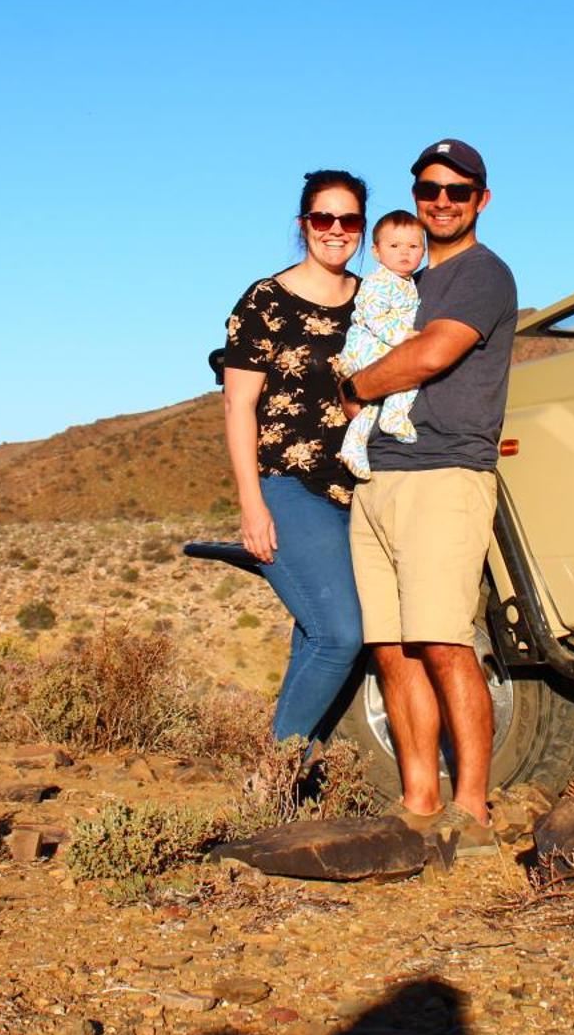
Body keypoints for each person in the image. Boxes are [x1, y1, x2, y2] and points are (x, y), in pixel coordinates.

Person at [339, 139, 515, 852]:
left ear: (482, 199)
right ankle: (418, 800)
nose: (442, 200)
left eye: (458, 190)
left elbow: (432, 352)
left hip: (444, 475)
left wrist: (350, 386)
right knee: (391, 649)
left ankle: (470, 807)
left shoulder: (482, 274)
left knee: (444, 643)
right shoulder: (399, 276)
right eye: (429, 189)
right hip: (378, 474)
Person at [220, 170, 370, 743]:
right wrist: (252, 505)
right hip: (288, 486)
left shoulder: (375, 301)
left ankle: (297, 780)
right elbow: (239, 405)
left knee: (314, 635)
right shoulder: (266, 300)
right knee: (340, 636)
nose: (336, 230)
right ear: (303, 224)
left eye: (349, 220)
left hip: (361, 490)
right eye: (323, 218)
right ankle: (273, 775)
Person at [332, 210, 425, 479]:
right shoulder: (378, 281)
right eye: (394, 246)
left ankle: (354, 447)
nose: (404, 252)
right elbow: (373, 316)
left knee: (372, 404)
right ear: (376, 251)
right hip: (367, 346)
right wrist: (402, 336)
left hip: (379, 346)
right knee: (408, 371)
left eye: (413, 246)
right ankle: (395, 415)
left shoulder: (408, 283)